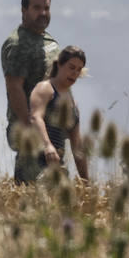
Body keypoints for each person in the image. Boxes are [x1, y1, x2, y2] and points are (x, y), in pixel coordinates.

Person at [1, 0, 60, 184]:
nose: (43, 13)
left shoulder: (48, 41)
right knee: (32, 189)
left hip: (52, 128)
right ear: (24, 10)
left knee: (55, 187)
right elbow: (15, 87)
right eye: (36, 8)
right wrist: (29, 126)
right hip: (29, 129)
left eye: (46, 8)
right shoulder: (19, 44)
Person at [28, 46, 91, 180]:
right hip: (34, 163)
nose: (75, 73)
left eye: (79, 70)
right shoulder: (45, 88)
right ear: (60, 65)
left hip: (56, 168)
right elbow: (35, 117)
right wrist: (48, 146)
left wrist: (86, 182)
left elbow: (77, 145)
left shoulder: (73, 104)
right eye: (71, 67)